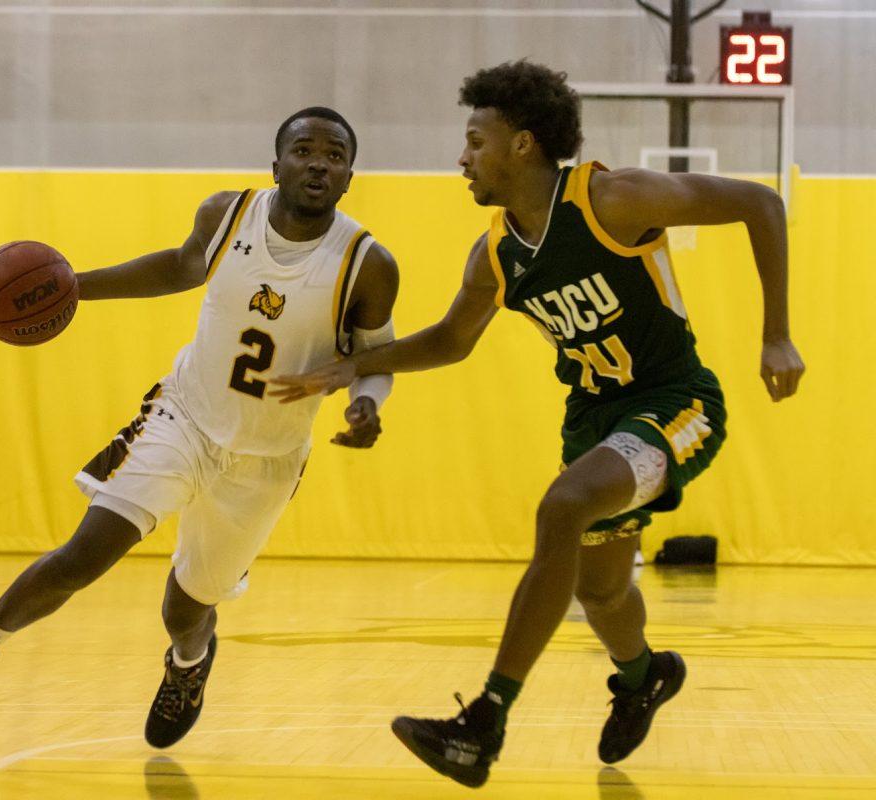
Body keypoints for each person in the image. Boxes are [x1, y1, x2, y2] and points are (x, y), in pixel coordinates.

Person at [271, 61, 805, 788]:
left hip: (675, 404)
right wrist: (355, 368)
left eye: (474, 142)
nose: (462, 159)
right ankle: (644, 677)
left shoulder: (611, 199)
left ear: (522, 145)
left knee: (563, 505)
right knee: (602, 592)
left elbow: (761, 205)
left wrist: (776, 333)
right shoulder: (495, 253)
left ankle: (483, 723)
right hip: (594, 419)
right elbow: (452, 341)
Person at [0, 107, 401, 749]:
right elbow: (179, 268)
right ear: (277, 164)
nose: (318, 162)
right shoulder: (227, 214)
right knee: (88, 551)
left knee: (187, 606)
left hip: (267, 458)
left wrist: (368, 403)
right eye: (303, 150)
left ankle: (188, 663)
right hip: (183, 417)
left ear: (350, 176)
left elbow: (379, 359)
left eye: (334, 155)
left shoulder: (367, 263)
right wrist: (72, 288)